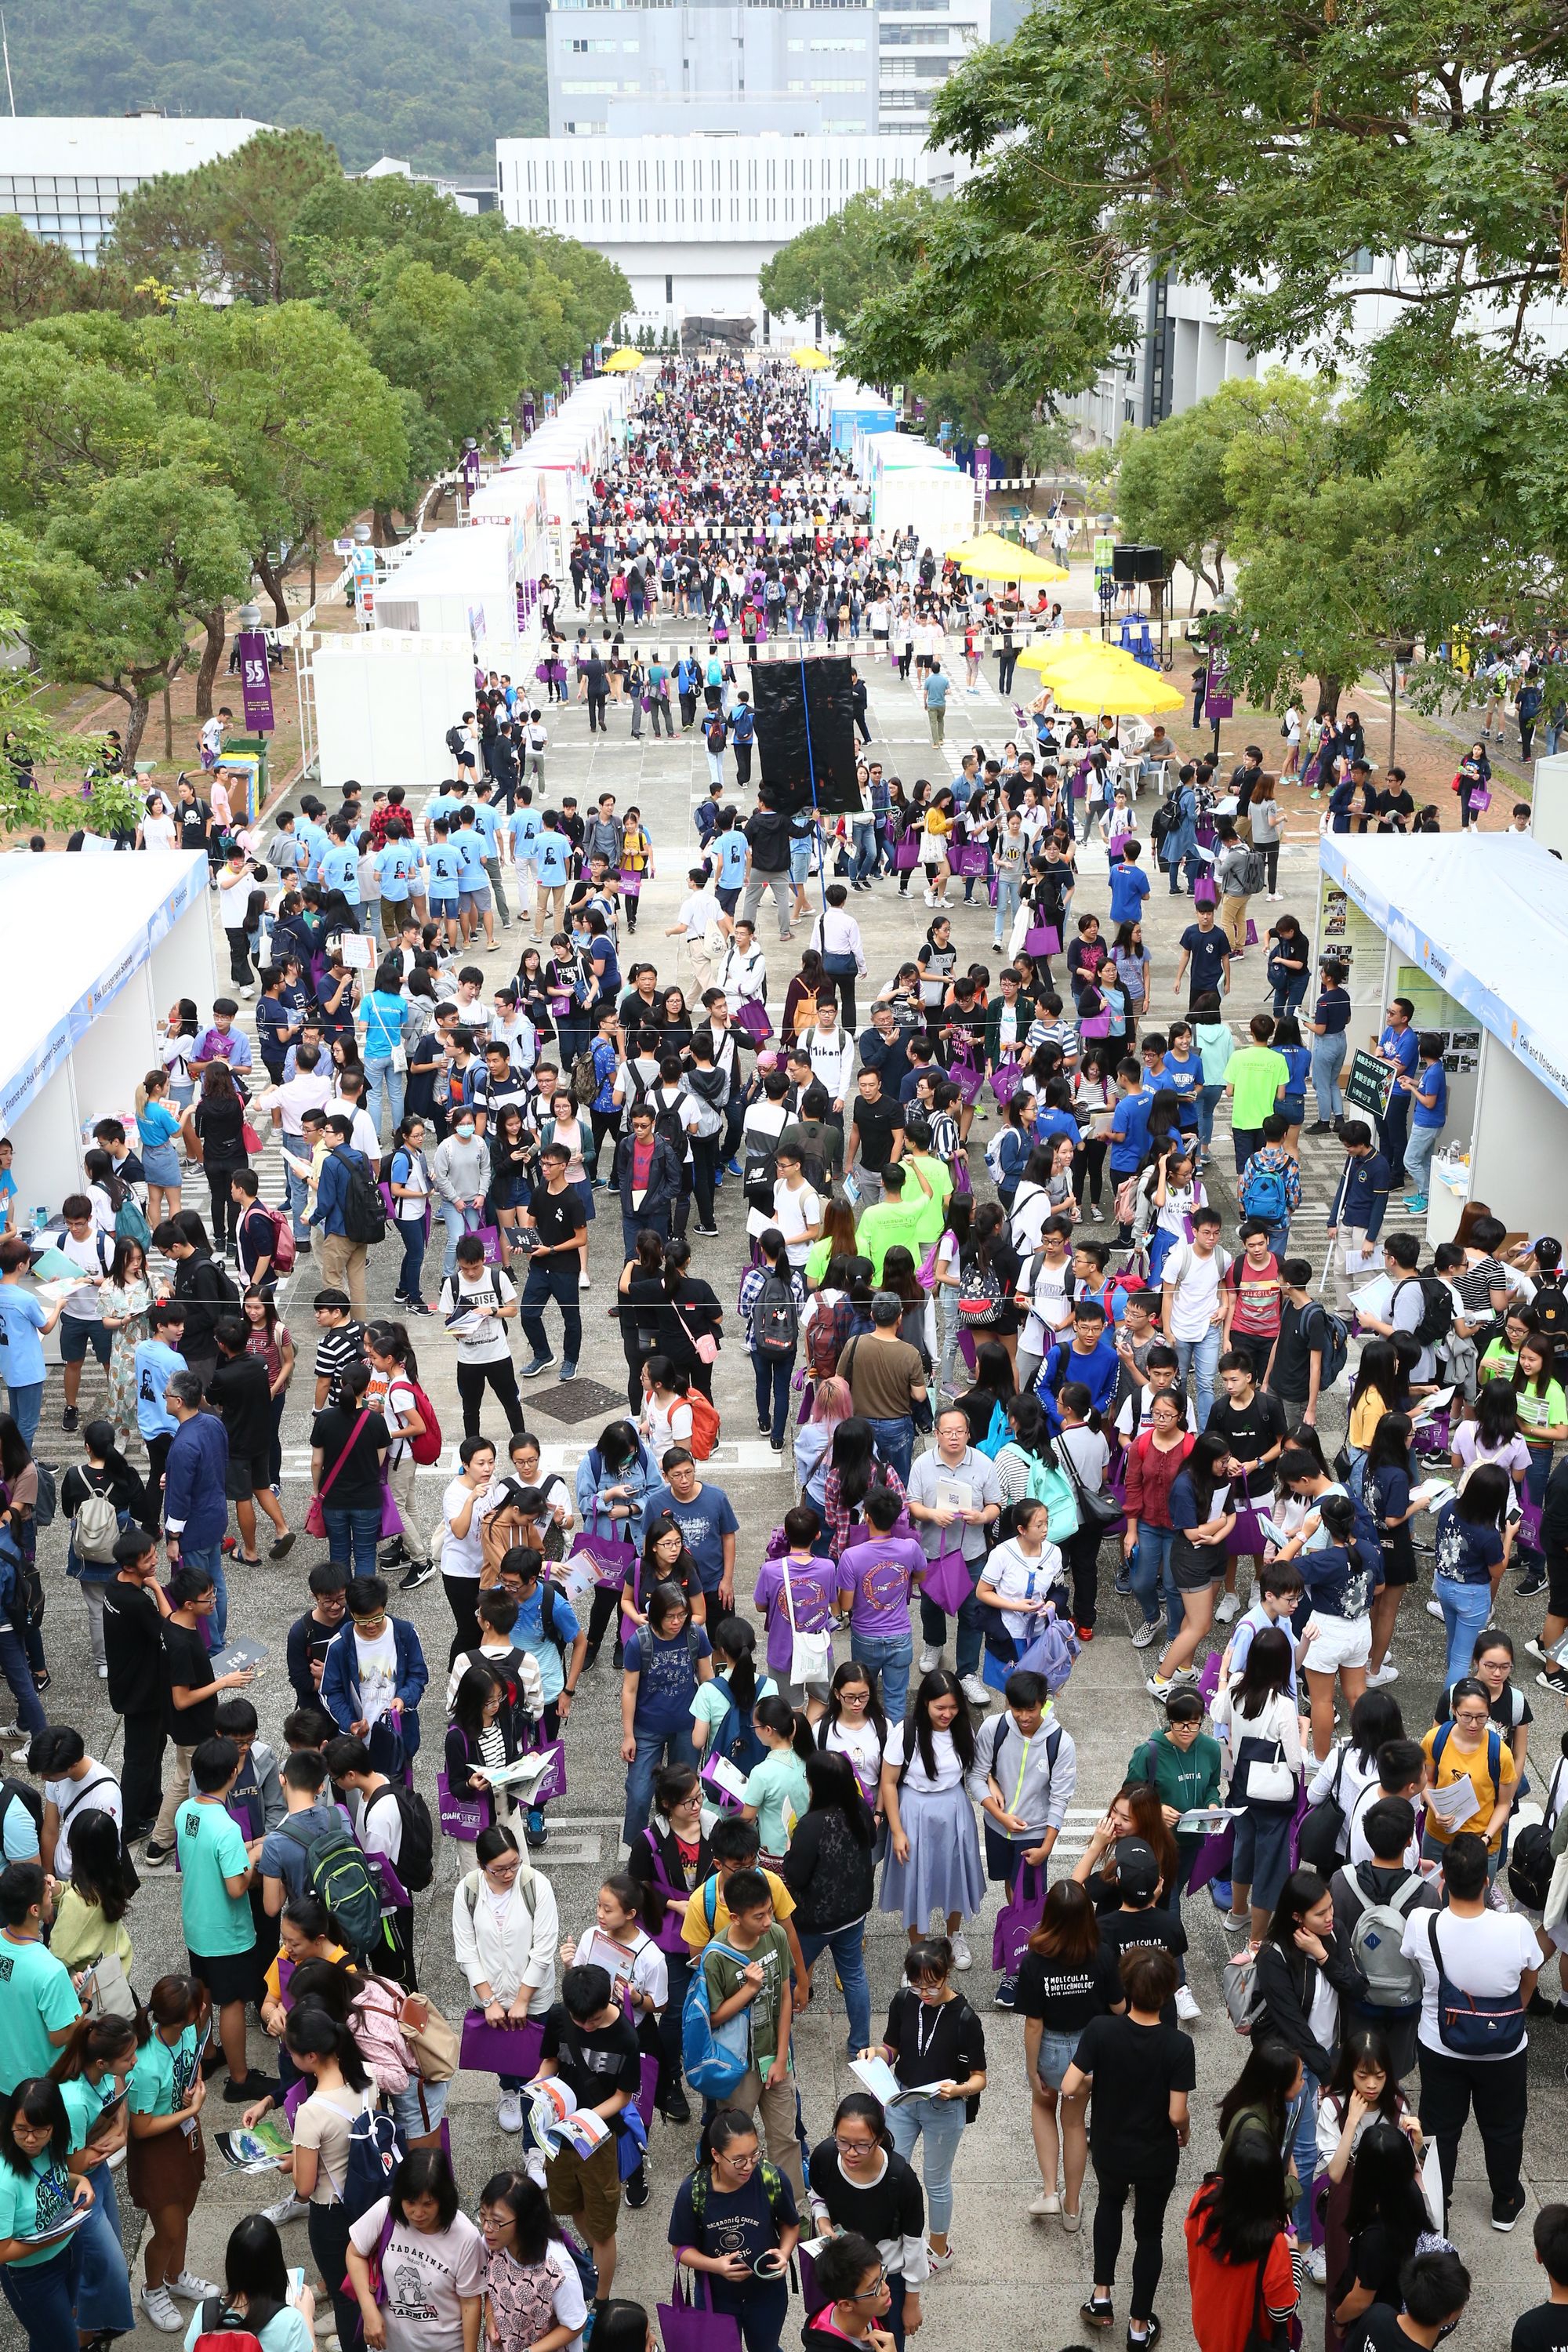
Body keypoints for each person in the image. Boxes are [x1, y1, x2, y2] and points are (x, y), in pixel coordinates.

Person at [1399, 1827, 1536, 2231]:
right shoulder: (1515, 1929)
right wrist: (1514, 2011)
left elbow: (1414, 1968)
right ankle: (1505, 2202)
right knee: (1505, 2124)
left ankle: (1437, 2206)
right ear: (1487, 1881)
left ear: (1443, 1878)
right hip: (1505, 2049)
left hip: (1440, 2044)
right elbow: (1528, 1978)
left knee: (1440, 2128)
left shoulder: (1423, 1925)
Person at [1064, 1947, 1193, 2346]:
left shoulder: (1102, 2030)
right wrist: (1185, 2129)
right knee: (1150, 2232)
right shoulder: (1177, 2046)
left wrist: (1096, 2083)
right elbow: (1176, 2113)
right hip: (1156, 2154)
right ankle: (1139, 2326)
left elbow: (1070, 2086)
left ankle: (1101, 2296)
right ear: (1169, 1991)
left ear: (1127, 1987)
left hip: (1110, 2146)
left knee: (1108, 2205)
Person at [532, 1962, 642, 2325]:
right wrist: (538, 2088)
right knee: (571, 2203)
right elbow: (550, 2061)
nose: (587, 2027)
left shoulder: (625, 2036)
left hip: (597, 2140)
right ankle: (594, 2250)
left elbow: (624, 2096)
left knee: (604, 2225)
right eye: (580, 2022)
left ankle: (602, 2297)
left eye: (593, 2020)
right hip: (559, 2134)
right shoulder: (559, 2018)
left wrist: (587, 2119)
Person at [669, 2107, 800, 2352]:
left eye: (755, 2155)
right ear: (716, 2155)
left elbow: (790, 2224)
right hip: (716, 2297)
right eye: (739, 2160)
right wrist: (716, 2266)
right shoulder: (694, 2191)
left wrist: (784, 2253)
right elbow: (680, 2248)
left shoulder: (771, 2178)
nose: (749, 2166)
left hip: (766, 2293)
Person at [804, 2094, 927, 2350]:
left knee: (888, 2341)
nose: (851, 2153)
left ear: (879, 2139)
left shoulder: (901, 2180)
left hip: (885, 2276)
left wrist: (911, 2301)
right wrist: (824, 2223)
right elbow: (817, 2195)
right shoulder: (825, 2158)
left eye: (862, 2145)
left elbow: (914, 2242)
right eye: (843, 2142)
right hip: (848, 2275)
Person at [127, 1973, 214, 2334]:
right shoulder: (146, 2064)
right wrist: (190, 2112)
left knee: (186, 2210)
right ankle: (152, 2289)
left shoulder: (187, 2032)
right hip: (157, 2148)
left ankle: (176, 2276)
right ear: (182, 2017)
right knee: (169, 2228)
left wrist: (193, 2089)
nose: (206, 2009)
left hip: (184, 2135)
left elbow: (192, 2067)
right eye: (200, 2007)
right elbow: (141, 2127)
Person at [779, 1750, 876, 2055]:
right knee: (854, 1975)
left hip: (813, 1923)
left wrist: (789, 1849)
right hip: (854, 1913)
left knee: (792, 1976)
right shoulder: (859, 1808)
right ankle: (859, 2045)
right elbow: (871, 1841)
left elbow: (795, 1876)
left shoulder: (811, 1824)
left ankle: (781, 2042)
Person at [346, 2147, 486, 2352]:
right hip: (390, 2346)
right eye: (410, 2202)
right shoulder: (386, 2213)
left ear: (443, 2200)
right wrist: (369, 2311)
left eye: (428, 2204)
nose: (418, 2213)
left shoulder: (465, 2237)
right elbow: (355, 2253)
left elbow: (470, 2302)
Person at [1184, 2125, 1299, 2352]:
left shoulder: (1204, 2199)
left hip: (1209, 2329)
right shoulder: (1271, 2241)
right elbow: (1282, 2310)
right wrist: (1293, 2256)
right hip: (1248, 2343)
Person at [477, 2169, 590, 2352]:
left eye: (496, 2220)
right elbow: (491, 2286)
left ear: (524, 2222)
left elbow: (575, 2324)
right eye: (483, 2215)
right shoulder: (494, 2241)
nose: (486, 2227)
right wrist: (490, 2316)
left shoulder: (557, 2269)